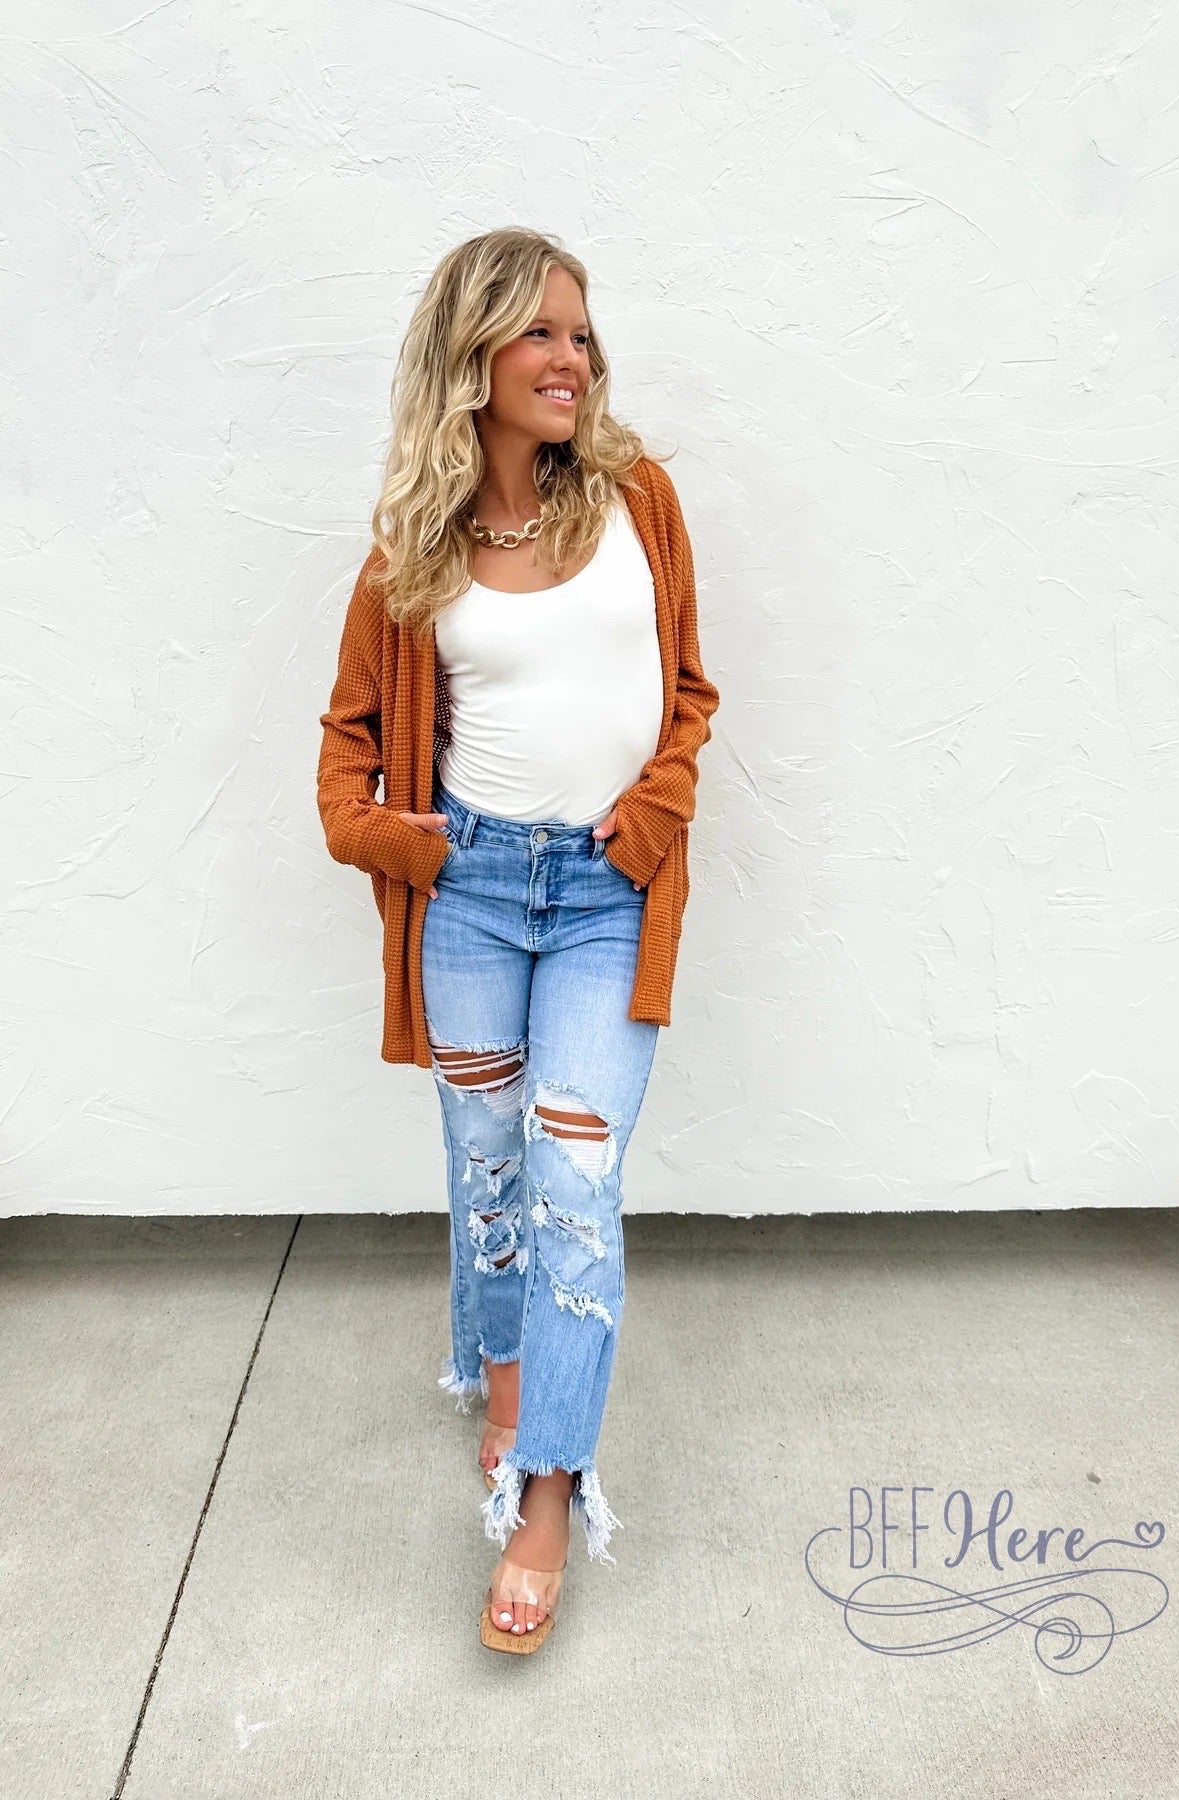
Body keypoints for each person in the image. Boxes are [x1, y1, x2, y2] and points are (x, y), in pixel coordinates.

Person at [316, 227, 720, 1653]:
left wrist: (652, 818)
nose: (572, 359)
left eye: (582, 334)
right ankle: (502, 1379)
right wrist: (407, 845)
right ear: (471, 355)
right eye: (541, 332)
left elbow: (689, 694)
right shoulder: (414, 554)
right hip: (476, 898)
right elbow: (345, 758)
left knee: (574, 1184)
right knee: (489, 1173)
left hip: (607, 899)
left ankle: (547, 1493)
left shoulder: (638, 498)